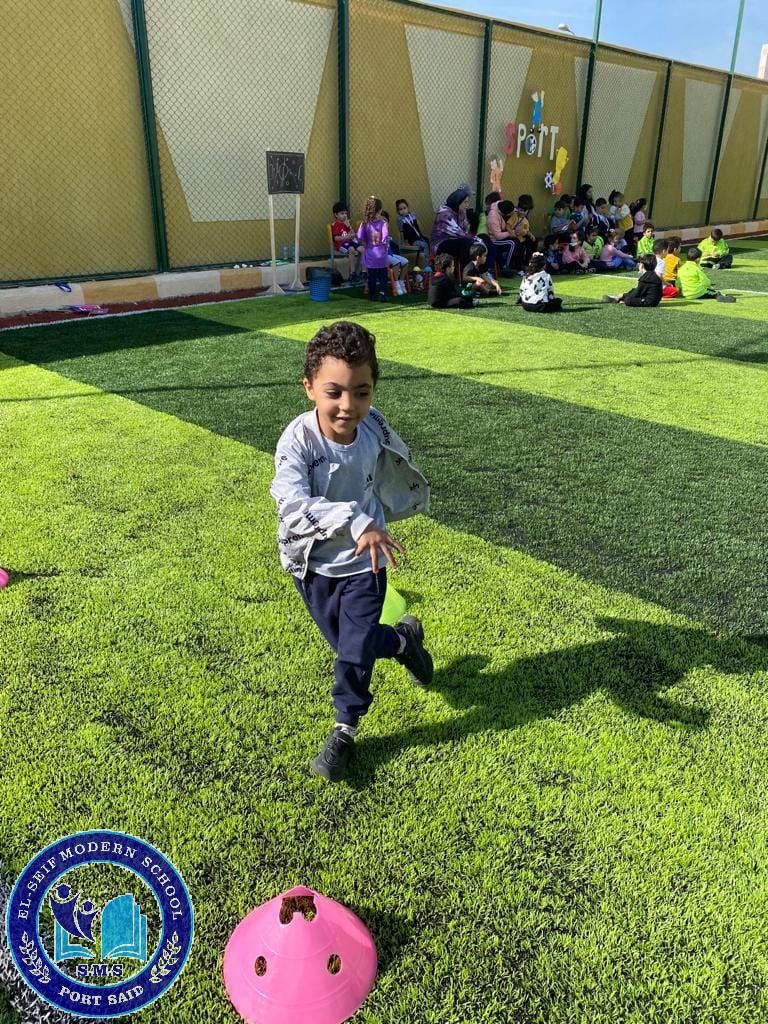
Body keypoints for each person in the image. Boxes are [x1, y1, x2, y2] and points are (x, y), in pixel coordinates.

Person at [270, 321, 433, 782]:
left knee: (353, 652)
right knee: (350, 644)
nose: (348, 406)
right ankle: (403, 641)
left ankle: (345, 729)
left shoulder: (373, 424)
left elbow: (394, 459)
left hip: (366, 560)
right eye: (334, 392)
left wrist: (388, 507)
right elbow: (290, 503)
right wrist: (354, 519)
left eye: (361, 392)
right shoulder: (297, 441)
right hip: (312, 563)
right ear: (309, 388)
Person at [430, 184, 479, 269]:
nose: (467, 205)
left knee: (470, 243)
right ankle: (466, 273)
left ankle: (478, 271)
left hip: (455, 240)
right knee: (466, 243)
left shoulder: (461, 211)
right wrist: (477, 240)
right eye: (465, 202)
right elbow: (459, 232)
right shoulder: (444, 213)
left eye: (468, 201)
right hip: (440, 244)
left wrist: (476, 240)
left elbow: (464, 230)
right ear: (458, 201)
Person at [356, 196, 390, 301]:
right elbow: (385, 239)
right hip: (381, 254)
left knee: (372, 276)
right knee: (383, 276)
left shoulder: (364, 223)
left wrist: (366, 245)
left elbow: (360, 237)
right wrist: (385, 247)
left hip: (371, 253)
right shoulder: (383, 223)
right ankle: (382, 293)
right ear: (379, 210)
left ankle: (372, 295)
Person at [330, 201, 362, 283]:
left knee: (363, 249)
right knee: (351, 249)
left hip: (350, 243)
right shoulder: (336, 225)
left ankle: (363, 272)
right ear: (336, 215)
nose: (344, 215)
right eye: (342, 213)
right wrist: (347, 237)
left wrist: (349, 227)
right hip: (341, 245)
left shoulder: (347, 224)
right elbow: (336, 238)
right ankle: (352, 273)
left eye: (345, 213)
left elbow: (353, 235)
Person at [381, 211, 410, 295]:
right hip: (382, 256)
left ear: (388, 223)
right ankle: (396, 283)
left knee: (406, 262)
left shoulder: (387, 233)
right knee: (396, 262)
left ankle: (401, 281)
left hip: (390, 255)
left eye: (385, 221)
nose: (383, 223)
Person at [395, 198, 430, 265]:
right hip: (412, 240)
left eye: (404, 208)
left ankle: (427, 260)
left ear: (408, 208)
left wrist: (422, 236)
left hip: (419, 237)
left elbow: (418, 227)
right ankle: (426, 263)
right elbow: (401, 232)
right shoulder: (400, 220)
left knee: (428, 241)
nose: (403, 211)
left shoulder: (412, 215)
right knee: (424, 245)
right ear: (398, 211)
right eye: (400, 209)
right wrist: (403, 242)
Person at [487, 198, 518, 271]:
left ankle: (516, 266)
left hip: (502, 234)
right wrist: (510, 233)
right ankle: (506, 267)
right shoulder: (493, 216)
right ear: (505, 214)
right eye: (511, 213)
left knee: (517, 241)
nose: (513, 214)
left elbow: (513, 210)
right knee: (513, 243)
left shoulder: (501, 204)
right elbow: (498, 236)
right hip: (494, 239)